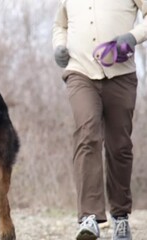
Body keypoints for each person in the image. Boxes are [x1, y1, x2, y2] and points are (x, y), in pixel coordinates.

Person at [52, 1, 147, 240]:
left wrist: (133, 36)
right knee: (87, 135)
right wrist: (59, 46)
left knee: (120, 146)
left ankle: (120, 216)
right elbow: (59, 25)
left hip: (121, 75)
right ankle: (89, 218)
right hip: (80, 73)